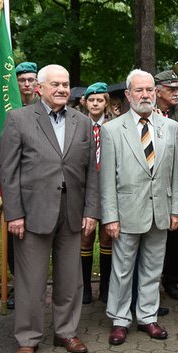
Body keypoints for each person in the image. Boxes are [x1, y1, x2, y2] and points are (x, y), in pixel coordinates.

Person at [0, 64, 99, 353]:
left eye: (66, 84)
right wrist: (14, 214)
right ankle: (28, 338)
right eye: (55, 84)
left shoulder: (82, 123)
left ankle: (65, 332)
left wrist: (91, 211)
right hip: (32, 215)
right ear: (39, 88)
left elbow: (92, 173)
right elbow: (8, 171)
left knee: (71, 279)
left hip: (72, 213)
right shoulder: (18, 119)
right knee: (31, 280)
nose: (61, 90)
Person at [100, 69, 178, 345]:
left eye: (149, 89)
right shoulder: (112, 129)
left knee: (152, 268)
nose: (145, 94)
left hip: (160, 211)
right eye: (139, 90)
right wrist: (109, 216)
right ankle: (120, 319)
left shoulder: (169, 127)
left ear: (155, 92)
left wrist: (175, 210)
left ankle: (148, 317)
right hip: (126, 213)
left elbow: (175, 173)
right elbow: (107, 178)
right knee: (122, 270)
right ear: (128, 95)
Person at [153, 69, 178, 304]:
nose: (176, 93)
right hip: (154, 185)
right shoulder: (143, 111)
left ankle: (172, 279)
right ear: (158, 91)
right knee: (154, 236)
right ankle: (150, 282)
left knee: (177, 237)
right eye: (171, 89)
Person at [79, 82, 113, 304]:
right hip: (85, 190)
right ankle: (84, 289)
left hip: (108, 188)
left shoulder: (113, 126)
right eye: (91, 99)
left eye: (100, 100)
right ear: (85, 102)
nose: (95, 103)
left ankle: (107, 288)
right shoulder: (79, 126)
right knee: (85, 238)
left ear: (106, 103)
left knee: (107, 239)